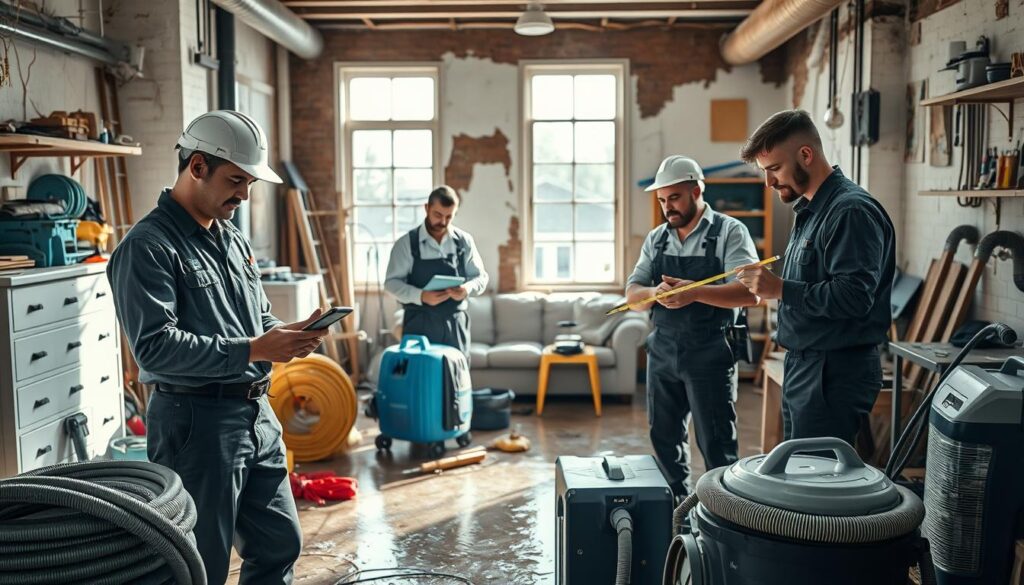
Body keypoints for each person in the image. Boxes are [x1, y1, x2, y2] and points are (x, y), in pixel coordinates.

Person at [108, 110, 325, 585]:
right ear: (198, 166)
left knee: (279, 544)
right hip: (197, 425)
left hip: (256, 417)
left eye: (249, 183)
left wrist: (286, 335)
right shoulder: (148, 247)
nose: (244, 195)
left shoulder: (231, 238)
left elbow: (256, 318)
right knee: (198, 564)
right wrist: (254, 348)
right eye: (236, 180)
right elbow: (155, 349)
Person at [735, 109, 895, 447]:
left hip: (832, 371)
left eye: (774, 169)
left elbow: (853, 296)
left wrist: (778, 288)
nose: (769, 182)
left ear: (805, 155)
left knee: (816, 483)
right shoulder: (810, 211)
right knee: (801, 477)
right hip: (806, 364)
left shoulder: (850, 211)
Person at [626, 155, 760, 500]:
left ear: (697, 189)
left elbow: (749, 293)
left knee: (716, 442)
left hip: (711, 350)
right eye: (661, 200)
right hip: (663, 349)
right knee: (665, 440)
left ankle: (721, 517)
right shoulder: (656, 240)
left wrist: (695, 292)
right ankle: (676, 518)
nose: (667, 207)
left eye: (675, 198)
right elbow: (632, 294)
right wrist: (654, 293)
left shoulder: (730, 231)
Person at [384, 185, 489, 357]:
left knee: (455, 381)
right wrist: (421, 296)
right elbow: (391, 283)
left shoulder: (464, 242)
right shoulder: (406, 244)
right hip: (419, 325)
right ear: (427, 208)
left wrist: (466, 289)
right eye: (438, 215)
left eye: (449, 217)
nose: (443, 222)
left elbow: (481, 277)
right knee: (421, 379)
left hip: (455, 325)